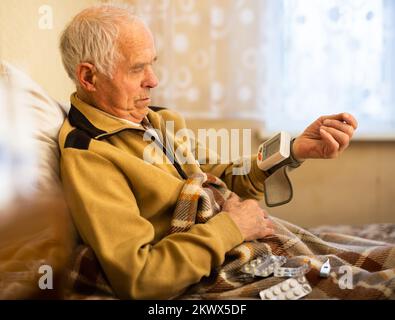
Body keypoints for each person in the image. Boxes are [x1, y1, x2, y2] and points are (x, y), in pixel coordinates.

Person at [58, 4, 358, 299]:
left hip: (253, 241)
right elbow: (141, 277)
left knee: (363, 259)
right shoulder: (89, 155)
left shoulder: (159, 120)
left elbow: (225, 176)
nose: (154, 80)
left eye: (152, 63)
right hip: (224, 260)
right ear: (89, 78)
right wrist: (232, 227)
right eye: (137, 68)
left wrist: (292, 151)